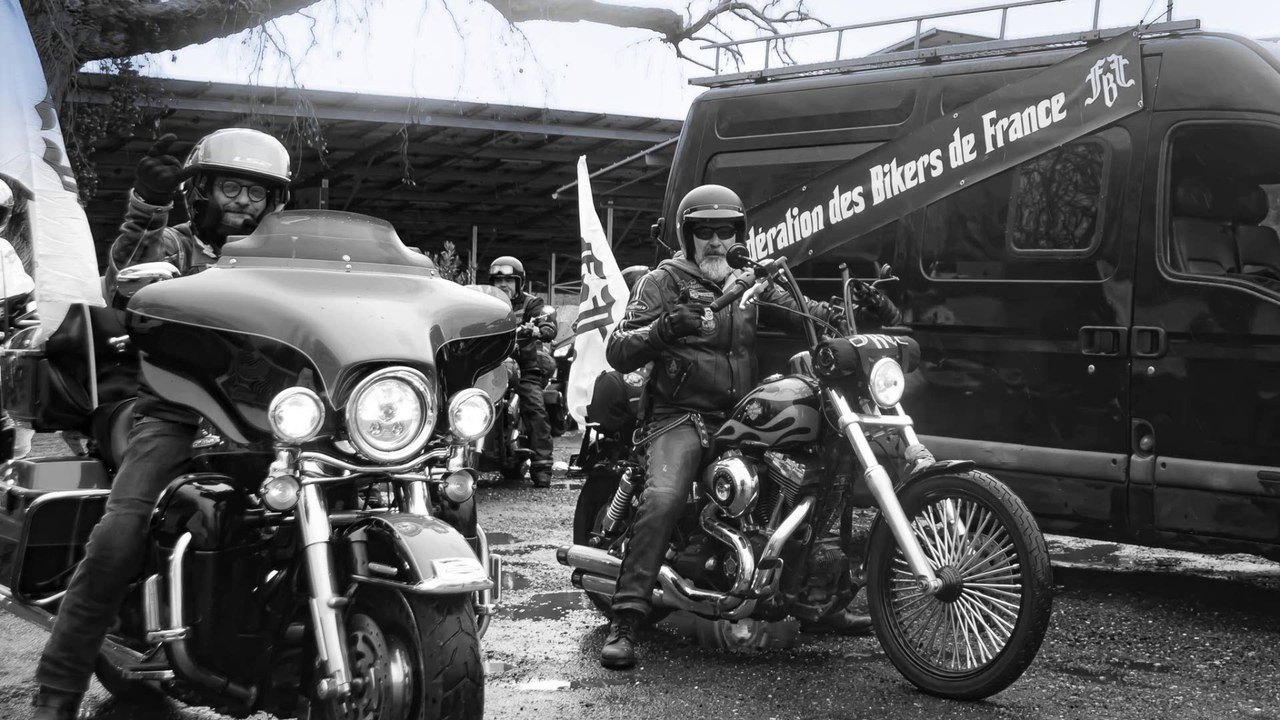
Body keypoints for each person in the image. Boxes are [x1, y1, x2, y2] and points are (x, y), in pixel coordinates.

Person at [32, 128, 291, 720]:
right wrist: (147, 207)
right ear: (200, 191)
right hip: (173, 407)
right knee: (119, 538)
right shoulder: (173, 245)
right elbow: (122, 276)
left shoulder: (284, 265)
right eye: (232, 187)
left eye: (258, 194)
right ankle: (59, 690)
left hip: (267, 416)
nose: (244, 203)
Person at [598, 184, 899, 670]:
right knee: (665, 497)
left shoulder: (750, 281)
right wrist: (663, 329)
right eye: (705, 231)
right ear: (688, 234)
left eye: (726, 231)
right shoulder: (662, 282)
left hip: (738, 412)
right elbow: (618, 347)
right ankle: (627, 617)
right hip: (679, 415)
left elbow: (814, 314)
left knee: (824, 477)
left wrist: (863, 311)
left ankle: (820, 601)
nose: (716, 241)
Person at [488, 256, 558, 487]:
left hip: (523, 366)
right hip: (490, 365)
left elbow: (547, 324)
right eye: (498, 281)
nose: (503, 285)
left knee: (535, 407)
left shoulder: (531, 304)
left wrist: (540, 329)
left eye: (509, 280)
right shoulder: (483, 303)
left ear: (520, 282)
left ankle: (542, 465)